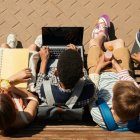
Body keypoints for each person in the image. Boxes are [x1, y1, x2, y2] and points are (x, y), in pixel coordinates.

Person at [87, 15, 140, 129]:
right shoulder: (136, 100)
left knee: (93, 43)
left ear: (113, 106)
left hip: (98, 75)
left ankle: (101, 36)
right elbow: (127, 79)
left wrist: (99, 67)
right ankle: (103, 41)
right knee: (120, 42)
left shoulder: (99, 115)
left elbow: (92, 93)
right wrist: (115, 64)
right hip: (119, 71)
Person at [35, 38, 96, 117]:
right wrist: (75, 55)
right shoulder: (89, 91)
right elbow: (85, 75)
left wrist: (44, 60)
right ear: (81, 75)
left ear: (56, 73)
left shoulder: (43, 90)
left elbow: (39, 84)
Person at [0, 34, 41, 133]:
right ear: (13, 107)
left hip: (8, 81)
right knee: (32, 48)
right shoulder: (25, 117)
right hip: (23, 89)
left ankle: (11, 48)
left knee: (3, 46)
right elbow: (34, 99)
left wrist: (13, 79)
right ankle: (35, 46)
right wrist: (13, 88)